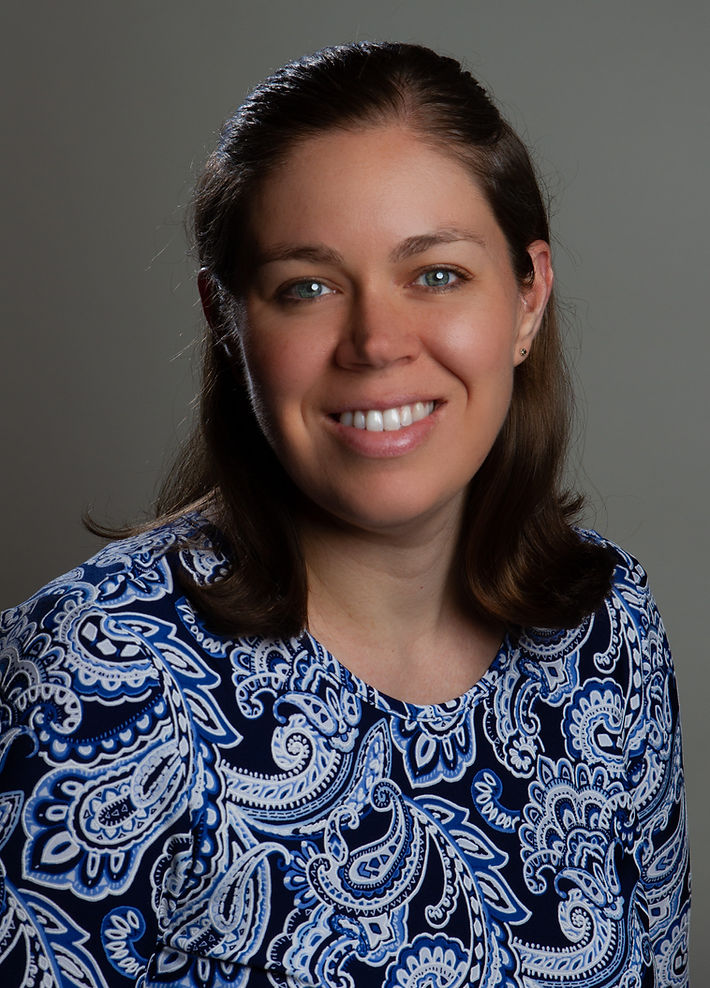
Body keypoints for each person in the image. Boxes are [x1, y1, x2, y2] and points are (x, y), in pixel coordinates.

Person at [0, 42, 689, 988]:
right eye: (307, 288)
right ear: (228, 324)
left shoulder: (607, 629)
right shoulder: (88, 679)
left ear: (527, 298)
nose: (375, 341)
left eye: (437, 273)